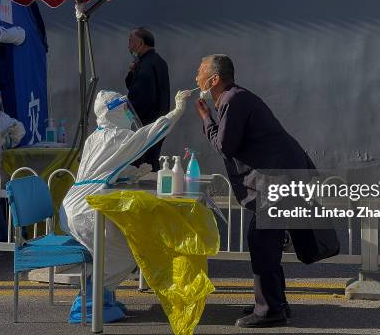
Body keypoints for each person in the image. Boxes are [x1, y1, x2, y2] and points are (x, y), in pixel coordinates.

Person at [193, 54, 317, 328]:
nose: (196, 78)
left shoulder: (232, 100)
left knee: (262, 242)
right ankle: (275, 303)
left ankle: (270, 309)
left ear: (214, 79)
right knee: (266, 243)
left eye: (200, 72)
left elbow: (225, 145)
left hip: (278, 180)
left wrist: (205, 118)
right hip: (280, 178)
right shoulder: (234, 99)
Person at [59, 88, 191, 320]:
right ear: (112, 113)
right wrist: (177, 110)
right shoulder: (117, 137)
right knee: (126, 254)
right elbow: (149, 135)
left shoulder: (97, 136)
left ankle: (103, 298)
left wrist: (130, 173)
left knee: (110, 253)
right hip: (87, 210)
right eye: (124, 110)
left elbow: (99, 170)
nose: (129, 116)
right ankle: (87, 304)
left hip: (73, 205)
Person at [125, 27, 170, 171]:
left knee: (141, 167)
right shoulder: (159, 62)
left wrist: (129, 117)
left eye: (131, 41)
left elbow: (142, 98)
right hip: (159, 122)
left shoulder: (146, 65)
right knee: (151, 163)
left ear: (140, 43)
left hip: (144, 125)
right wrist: (133, 72)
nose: (128, 46)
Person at [0, 83, 25, 181]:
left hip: (0, 164)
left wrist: (7, 141)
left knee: (0, 189)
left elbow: (19, 129)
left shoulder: (2, 117)